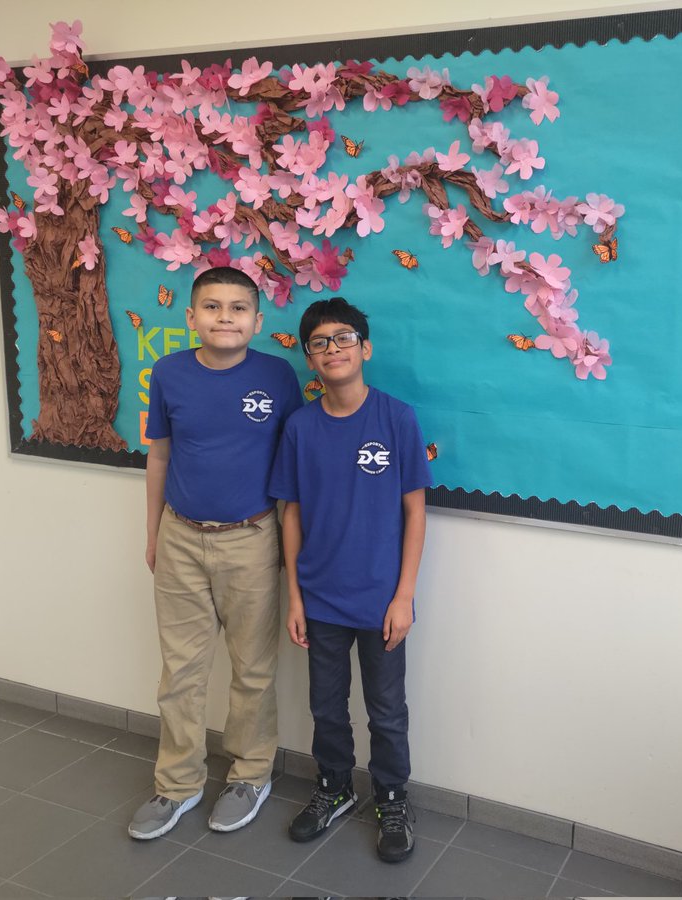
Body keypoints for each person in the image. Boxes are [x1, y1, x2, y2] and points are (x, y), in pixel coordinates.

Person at [128, 266, 301, 840]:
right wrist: (153, 533)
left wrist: (287, 544)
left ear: (258, 320)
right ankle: (177, 784)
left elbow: (293, 466)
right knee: (180, 670)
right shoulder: (169, 372)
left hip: (252, 539)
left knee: (252, 668)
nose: (225, 317)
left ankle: (250, 775)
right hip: (179, 537)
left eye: (237, 308)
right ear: (191, 317)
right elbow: (159, 456)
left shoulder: (278, 376)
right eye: (212, 306)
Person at [269, 297, 431, 863]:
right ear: (309, 358)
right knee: (326, 706)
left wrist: (404, 595)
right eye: (319, 342)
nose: (332, 349)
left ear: (365, 348)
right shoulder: (299, 427)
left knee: (386, 709)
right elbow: (290, 515)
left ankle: (391, 797)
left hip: (382, 599)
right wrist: (294, 597)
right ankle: (335, 787)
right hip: (320, 598)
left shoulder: (396, 418)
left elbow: (416, 512)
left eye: (343, 338)